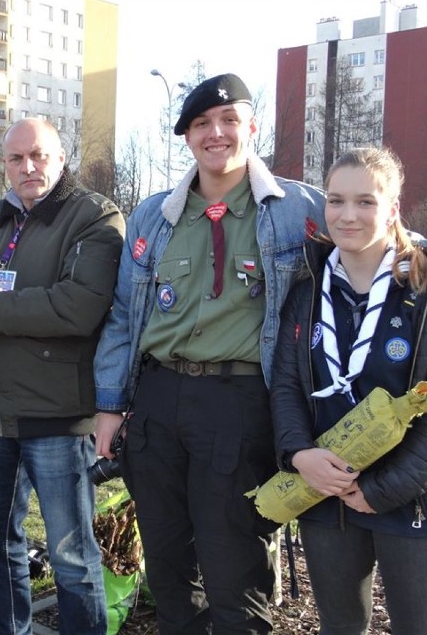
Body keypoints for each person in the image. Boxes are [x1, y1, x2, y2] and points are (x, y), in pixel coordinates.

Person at [93, 73, 327, 634]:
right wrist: (109, 403)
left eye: (228, 121)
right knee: (170, 568)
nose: (215, 133)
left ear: (251, 126)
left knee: (233, 566)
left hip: (239, 404)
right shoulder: (154, 215)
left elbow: (378, 232)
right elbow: (126, 313)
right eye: (201, 124)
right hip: (157, 401)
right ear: (187, 136)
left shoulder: (298, 208)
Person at [0, 118, 125, 634]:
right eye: (15, 159)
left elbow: (78, 305)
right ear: (4, 165)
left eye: (38, 155)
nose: (27, 167)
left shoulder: (94, 216)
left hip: (58, 416)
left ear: (61, 158)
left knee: (71, 557)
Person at [270, 147, 427, 635]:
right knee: (339, 627)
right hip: (327, 494)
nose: (348, 215)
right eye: (336, 200)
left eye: (366, 201)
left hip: (413, 498)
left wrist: (379, 489)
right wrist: (300, 453)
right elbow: (286, 384)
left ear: (392, 207)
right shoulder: (308, 288)